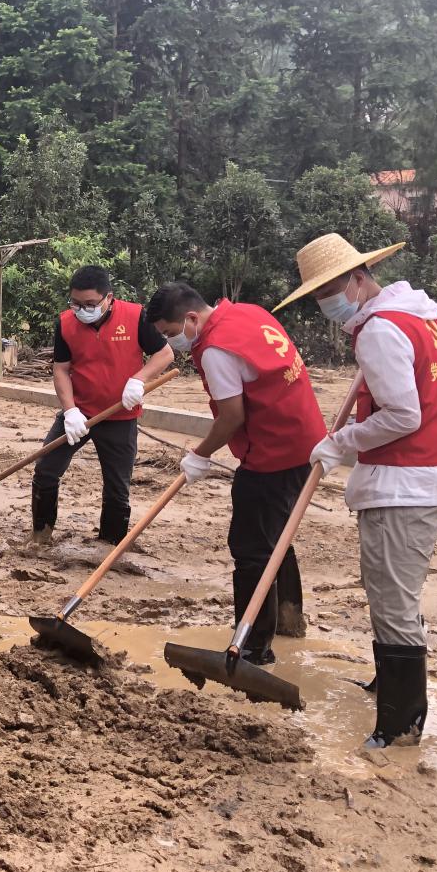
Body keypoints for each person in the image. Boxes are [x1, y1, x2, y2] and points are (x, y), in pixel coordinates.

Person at [273, 234, 437, 748]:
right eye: (319, 296)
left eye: (330, 291)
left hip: (401, 487)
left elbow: (403, 414)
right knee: (398, 596)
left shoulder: (379, 330)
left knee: (391, 602)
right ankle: (388, 686)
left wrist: (340, 442)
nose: (326, 304)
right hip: (426, 482)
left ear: (359, 279)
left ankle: (400, 726)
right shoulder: (417, 317)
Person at [146, 282, 326, 663]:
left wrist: (200, 454)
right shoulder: (248, 312)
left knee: (250, 549)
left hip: (273, 451)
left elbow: (231, 416)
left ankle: (254, 647)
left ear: (192, 318)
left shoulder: (215, 349)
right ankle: (289, 621)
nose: (171, 340)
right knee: (278, 531)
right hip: (305, 438)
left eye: (169, 332)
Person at [32, 266, 174, 545]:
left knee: (117, 487)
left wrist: (139, 379)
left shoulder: (135, 317)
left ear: (109, 297)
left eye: (89, 304)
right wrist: (70, 410)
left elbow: (165, 353)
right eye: (76, 303)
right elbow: (61, 369)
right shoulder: (65, 324)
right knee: (46, 469)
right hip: (79, 414)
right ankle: (41, 533)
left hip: (120, 416)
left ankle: (110, 544)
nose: (82, 310)